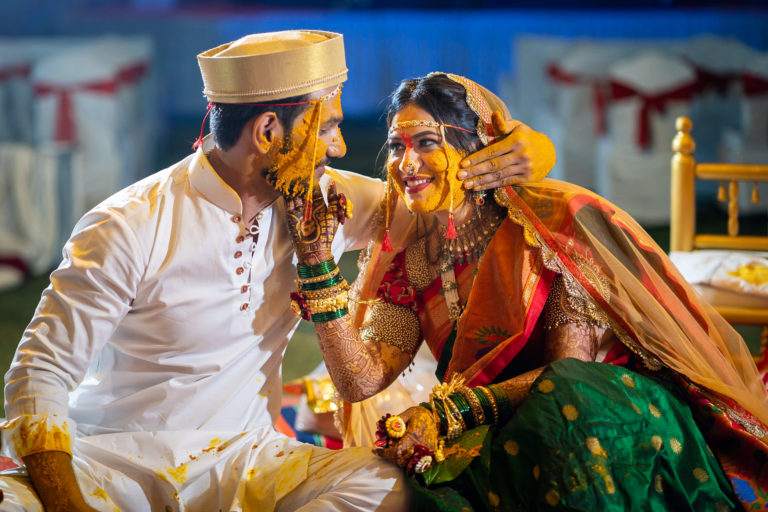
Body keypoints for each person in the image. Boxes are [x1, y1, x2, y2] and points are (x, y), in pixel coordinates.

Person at [0, 32, 554, 512]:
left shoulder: (326, 202)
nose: (339, 146)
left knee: (385, 488)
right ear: (268, 131)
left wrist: (535, 152)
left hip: (248, 455)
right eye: (329, 128)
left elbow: (441, 196)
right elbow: (39, 373)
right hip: (117, 462)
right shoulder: (128, 224)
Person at [285, 72, 768, 511]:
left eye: (427, 143)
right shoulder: (414, 261)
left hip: (602, 419)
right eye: (395, 146)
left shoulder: (547, 231)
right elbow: (360, 381)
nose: (406, 163)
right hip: (500, 424)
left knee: (559, 416)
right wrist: (318, 267)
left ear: (478, 149)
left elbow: (567, 375)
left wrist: (453, 410)